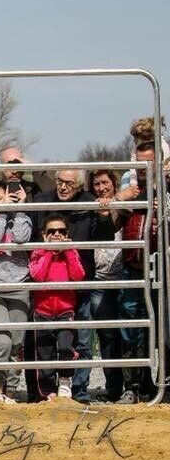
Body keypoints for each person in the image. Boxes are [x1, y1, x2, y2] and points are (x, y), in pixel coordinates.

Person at [32, 169, 115, 402]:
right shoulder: (42, 201)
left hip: (80, 282)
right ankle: (43, 392)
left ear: (79, 186)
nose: (63, 187)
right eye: (59, 181)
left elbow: (105, 237)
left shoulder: (90, 202)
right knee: (45, 344)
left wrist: (104, 214)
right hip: (49, 290)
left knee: (81, 341)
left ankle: (78, 391)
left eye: (69, 183)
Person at [114, 134, 163, 404]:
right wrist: (119, 202)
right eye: (141, 163)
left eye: (151, 162)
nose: (145, 169)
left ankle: (163, 384)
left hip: (164, 270)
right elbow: (107, 227)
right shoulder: (129, 192)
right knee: (131, 329)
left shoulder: (167, 191)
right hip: (134, 268)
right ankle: (133, 385)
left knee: (164, 330)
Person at [29, 216, 85, 401]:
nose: (57, 235)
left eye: (61, 231)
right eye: (52, 232)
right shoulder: (38, 252)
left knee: (65, 347)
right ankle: (46, 392)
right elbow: (37, 276)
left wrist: (67, 251)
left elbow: (78, 276)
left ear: (67, 234)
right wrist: (47, 252)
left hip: (65, 310)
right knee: (44, 353)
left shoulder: (71, 252)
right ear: (44, 235)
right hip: (42, 311)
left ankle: (65, 381)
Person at [0, 180, 31, 403]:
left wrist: (19, 208)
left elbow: (22, 238)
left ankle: (11, 389)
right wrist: (2, 212)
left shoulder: (22, 216)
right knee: (1, 340)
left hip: (20, 287)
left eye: (0, 197)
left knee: (16, 342)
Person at [88, 169, 125, 401]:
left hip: (124, 276)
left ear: (114, 183)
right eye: (96, 184)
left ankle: (137, 384)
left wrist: (119, 200)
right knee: (107, 335)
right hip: (99, 278)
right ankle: (113, 388)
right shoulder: (90, 208)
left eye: (105, 183)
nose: (101, 188)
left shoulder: (125, 203)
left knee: (130, 333)